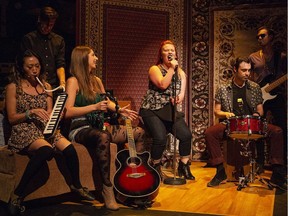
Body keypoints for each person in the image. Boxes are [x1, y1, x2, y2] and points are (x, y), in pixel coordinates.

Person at [5, 50, 95, 216]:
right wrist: (30, 112)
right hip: (25, 128)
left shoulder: (46, 86)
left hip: (45, 127)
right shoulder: (13, 87)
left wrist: (56, 114)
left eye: (37, 66)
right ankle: (17, 195)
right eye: (30, 66)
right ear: (21, 68)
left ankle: (76, 185)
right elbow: (11, 118)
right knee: (46, 150)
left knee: (69, 148)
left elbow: (49, 111)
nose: (34, 70)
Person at [64, 45, 145, 210]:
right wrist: (93, 107)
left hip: (98, 126)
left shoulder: (96, 81)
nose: (96, 58)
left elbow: (106, 102)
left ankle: (133, 181)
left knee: (139, 133)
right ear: (83, 59)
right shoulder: (73, 81)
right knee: (103, 136)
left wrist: (119, 109)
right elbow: (68, 111)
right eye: (93, 55)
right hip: (80, 128)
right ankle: (107, 190)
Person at [204, 57, 287, 191]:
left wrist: (257, 115)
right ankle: (220, 172)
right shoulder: (223, 88)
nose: (247, 73)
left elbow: (260, 110)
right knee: (210, 133)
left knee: (277, 131)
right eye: (243, 70)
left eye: (249, 70)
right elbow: (216, 111)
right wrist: (226, 114)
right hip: (231, 123)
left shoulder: (255, 87)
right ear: (235, 70)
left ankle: (278, 175)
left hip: (253, 124)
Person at [139, 40, 194, 180]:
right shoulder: (154, 69)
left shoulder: (181, 73)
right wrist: (171, 69)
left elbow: (182, 93)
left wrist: (179, 98)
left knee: (186, 135)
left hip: (169, 109)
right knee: (160, 138)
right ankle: (155, 166)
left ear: (175, 54)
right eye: (166, 50)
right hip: (152, 109)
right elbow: (163, 85)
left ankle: (183, 166)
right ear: (161, 54)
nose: (170, 52)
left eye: (172, 50)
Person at [249, 26, 287, 165]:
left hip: (277, 95)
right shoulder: (252, 57)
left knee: (282, 128)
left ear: (270, 37)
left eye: (262, 36)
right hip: (260, 96)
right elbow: (250, 78)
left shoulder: (281, 57)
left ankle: (281, 162)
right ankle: (259, 162)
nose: (259, 38)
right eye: (258, 36)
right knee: (258, 127)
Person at [20, 6, 66, 89]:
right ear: (39, 20)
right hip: (34, 85)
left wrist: (62, 83)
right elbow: (25, 64)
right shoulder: (29, 39)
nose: (48, 28)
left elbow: (60, 64)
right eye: (45, 24)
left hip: (54, 85)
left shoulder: (59, 40)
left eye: (51, 25)